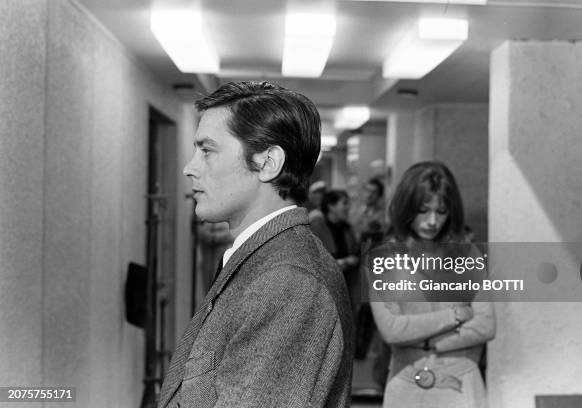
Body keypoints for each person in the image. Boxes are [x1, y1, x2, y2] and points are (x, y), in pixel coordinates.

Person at [158, 81, 353, 408]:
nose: (189, 168)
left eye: (207, 150)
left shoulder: (287, 281)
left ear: (267, 162)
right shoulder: (264, 259)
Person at [371, 161, 495, 408]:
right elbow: (392, 330)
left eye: (441, 212)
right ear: (407, 208)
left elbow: (486, 325)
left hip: (461, 386)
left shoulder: (467, 255)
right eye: (423, 210)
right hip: (406, 385)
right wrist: (455, 315)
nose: (432, 221)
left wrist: (426, 343)